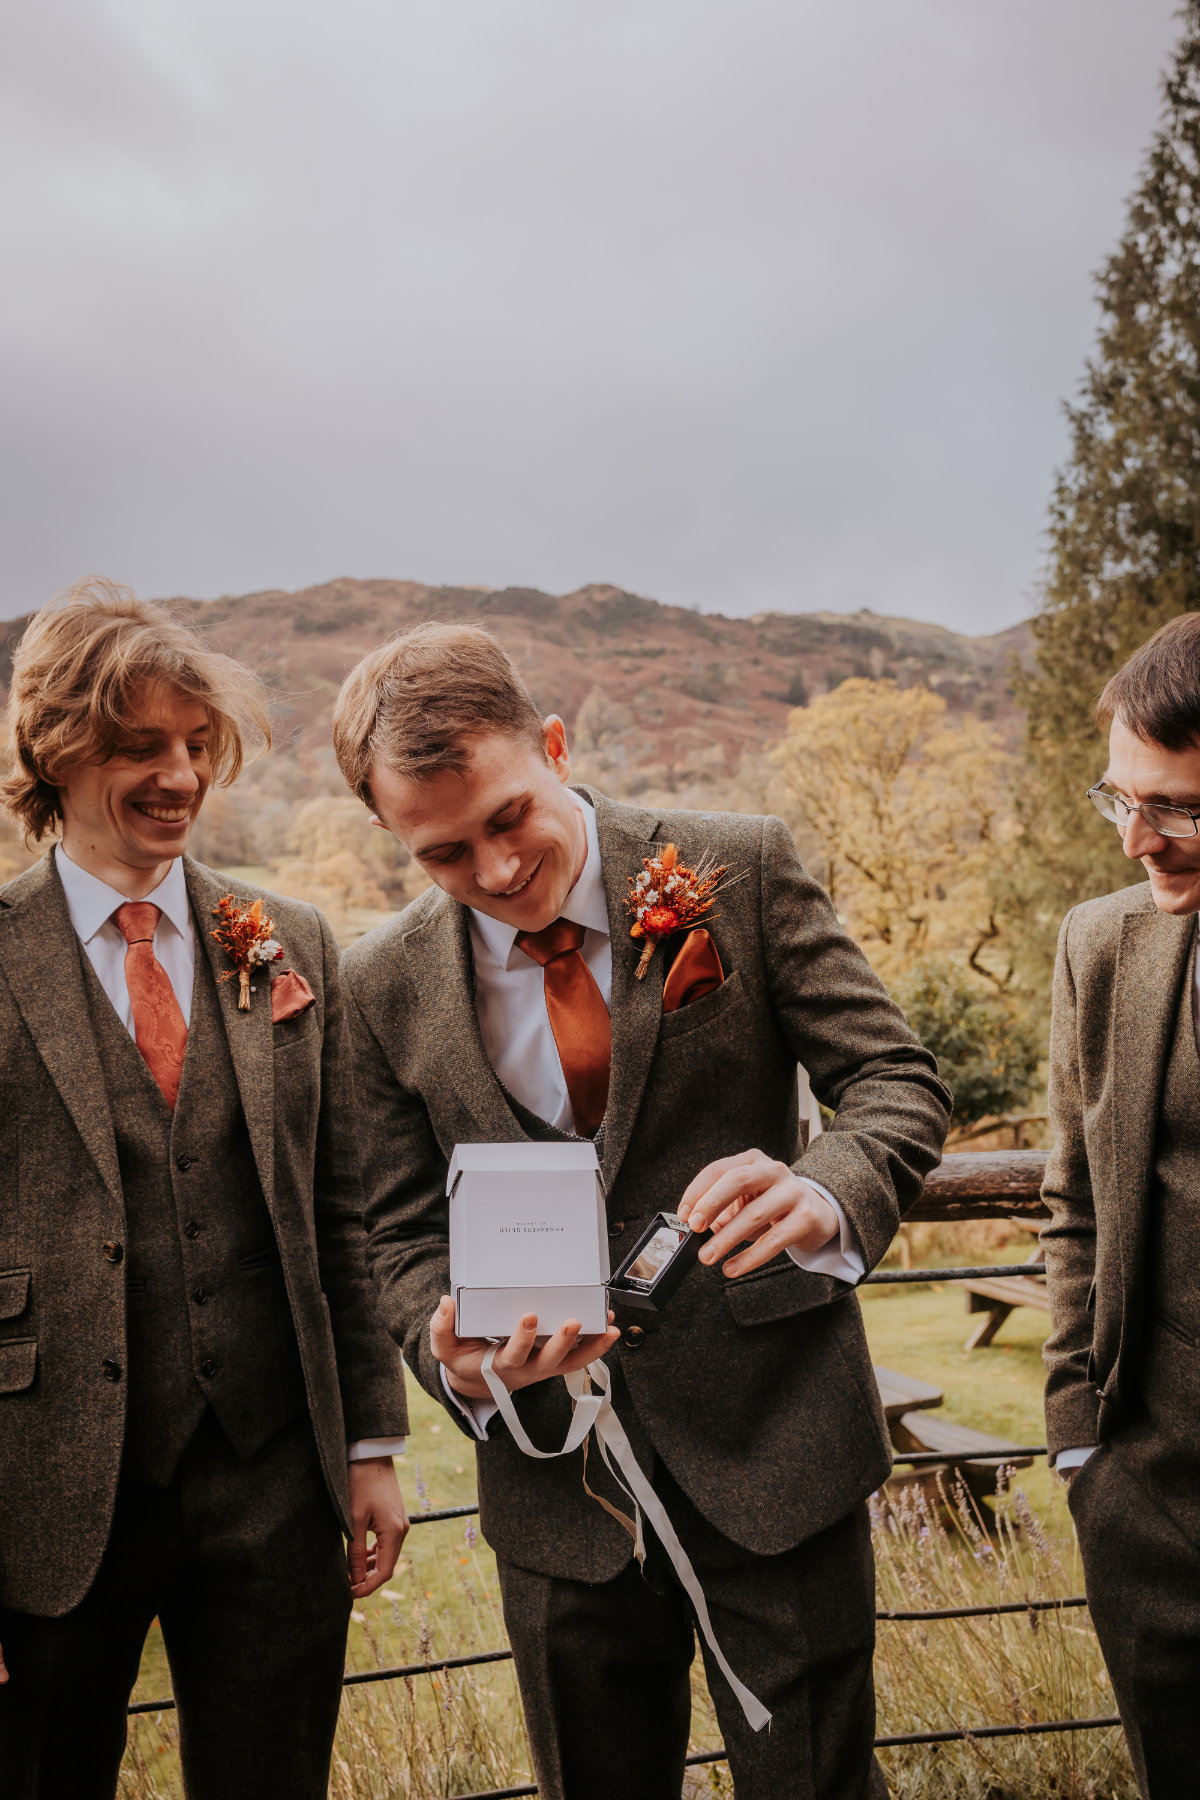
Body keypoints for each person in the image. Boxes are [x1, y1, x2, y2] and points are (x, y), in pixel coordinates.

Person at [333, 622, 951, 1800]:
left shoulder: (742, 865)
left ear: (555, 745)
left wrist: (826, 1189)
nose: (501, 871)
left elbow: (895, 1084)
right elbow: (397, 1236)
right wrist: (449, 1354)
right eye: (446, 854)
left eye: (511, 817)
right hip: (553, 1489)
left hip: (778, 1446)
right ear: (394, 835)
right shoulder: (377, 986)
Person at [0, 581, 410, 1800]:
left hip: (274, 1477)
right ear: (54, 753)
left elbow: (341, 1210)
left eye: (195, 746)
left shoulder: (286, 937)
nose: (179, 775)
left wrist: (372, 1443)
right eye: (140, 747)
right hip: (44, 1486)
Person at [1041, 611, 1200, 1800]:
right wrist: (1078, 1439)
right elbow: (1072, 1200)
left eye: (1181, 808)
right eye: (1121, 799)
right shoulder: (1099, 946)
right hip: (1148, 1492)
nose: (1140, 840)